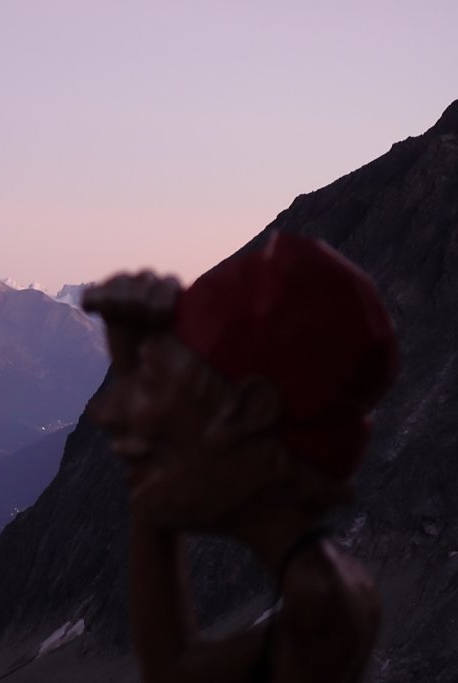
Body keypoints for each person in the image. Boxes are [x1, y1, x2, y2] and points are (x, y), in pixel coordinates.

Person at [81, 232, 398, 683]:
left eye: (153, 383)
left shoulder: (319, 609)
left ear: (252, 409)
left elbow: (172, 676)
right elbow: (172, 668)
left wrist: (149, 486)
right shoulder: (322, 591)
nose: (106, 415)